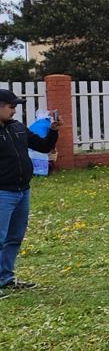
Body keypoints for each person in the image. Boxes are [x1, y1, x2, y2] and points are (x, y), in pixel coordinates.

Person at [0, 90, 60, 294]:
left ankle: (6, 278)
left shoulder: (18, 128)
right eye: (11, 106)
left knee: (14, 237)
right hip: (2, 193)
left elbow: (43, 147)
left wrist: (53, 131)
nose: (15, 110)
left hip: (22, 191)